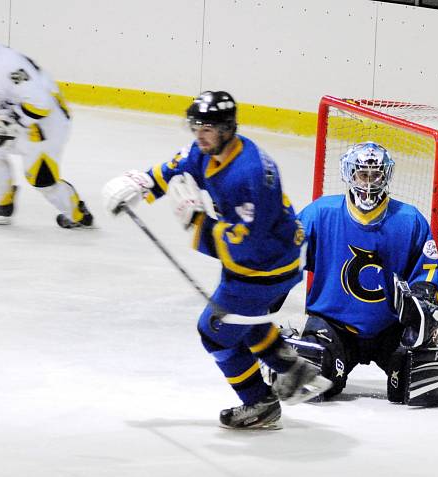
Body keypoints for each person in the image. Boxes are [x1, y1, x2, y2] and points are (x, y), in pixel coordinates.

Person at [102, 90, 330, 429]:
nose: (199, 135)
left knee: (214, 331)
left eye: (207, 128)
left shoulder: (249, 174)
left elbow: (246, 246)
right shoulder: (207, 148)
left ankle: (259, 403)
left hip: (267, 266)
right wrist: (144, 183)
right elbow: (178, 166)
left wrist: (197, 222)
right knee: (244, 323)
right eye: (196, 127)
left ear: (227, 129)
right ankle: (295, 370)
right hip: (261, 260)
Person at [294, 141, 438, 406]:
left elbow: (428, 273)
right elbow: (284, 257)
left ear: (386, 175)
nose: (369, 182)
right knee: (312, 383)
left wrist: (421, 303)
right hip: (333, 326)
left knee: (417, 387)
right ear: (350, 174)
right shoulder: (319, 214)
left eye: (376, 174)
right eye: (363, 174)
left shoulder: (410, 219)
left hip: (390, 329)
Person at [0, 14, 91, 228]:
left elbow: (41, 104)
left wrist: (10, 122)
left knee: (41, 180)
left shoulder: (8, 65)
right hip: (24, 117)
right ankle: (4, 204)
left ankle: (79, 216)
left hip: (48, 124)